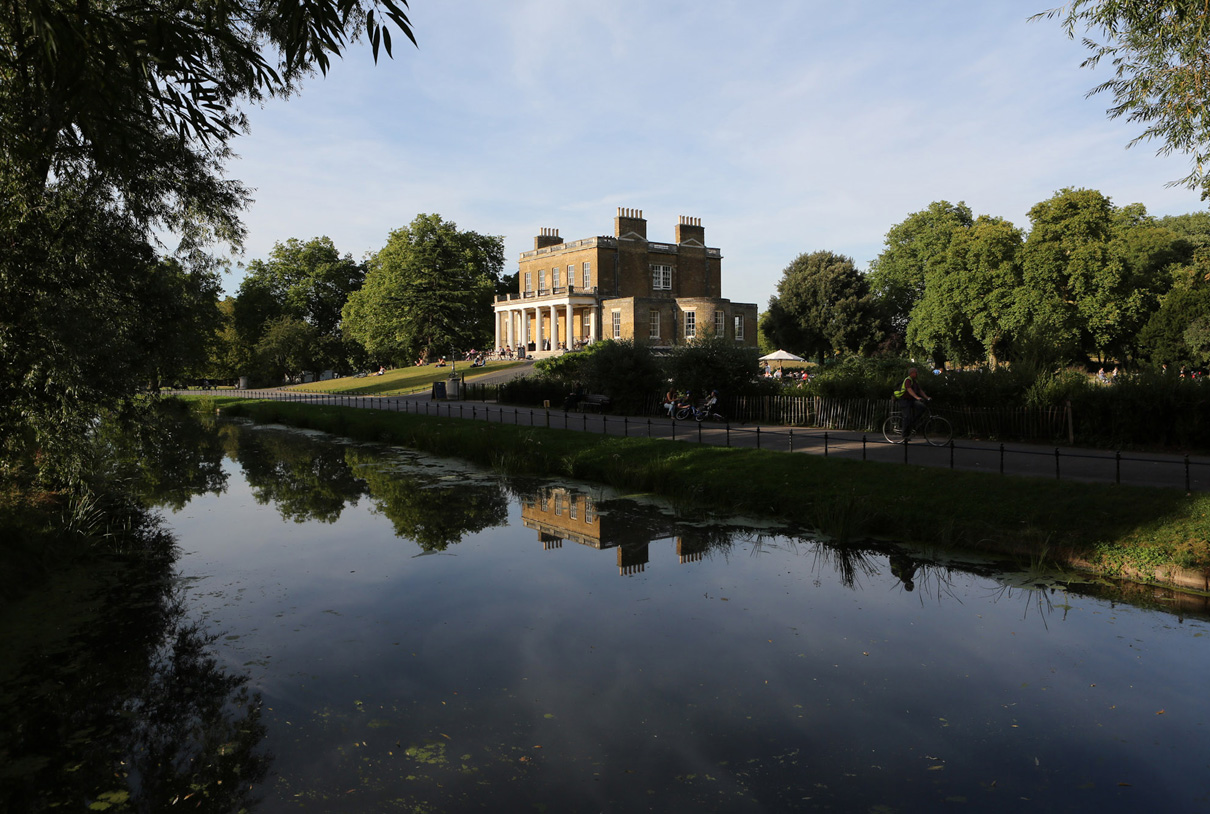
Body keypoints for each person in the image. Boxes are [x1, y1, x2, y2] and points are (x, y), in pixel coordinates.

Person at [895, 367, 928, 439]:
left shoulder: (914, 381)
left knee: (922, 407)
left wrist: (927, 397)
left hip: (911, 400)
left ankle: (913, 422)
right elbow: (909, 389)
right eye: (915, 372)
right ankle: (904, 435)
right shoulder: (908, 380)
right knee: (907, 416)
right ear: (911, 373)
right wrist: (917, 397)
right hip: (904, 400)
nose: (917, 374)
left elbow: (920, 390)